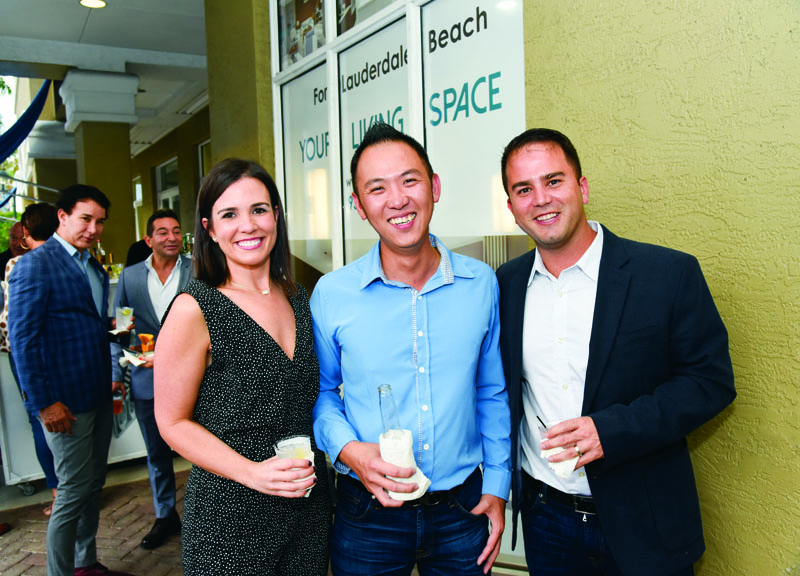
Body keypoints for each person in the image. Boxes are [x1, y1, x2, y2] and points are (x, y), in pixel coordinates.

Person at [495, 128, 736, 576]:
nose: (541, 199)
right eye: (523, 189)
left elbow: (710, 382)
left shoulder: (666, 274)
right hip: (546, 519)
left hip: (645, 521)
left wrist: (611, 430)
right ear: (511, 207)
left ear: (582, 187)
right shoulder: (505, 284)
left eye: (553, 181)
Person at [311, 122, 511, 575]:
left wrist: (497, 485)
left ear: (434, 187)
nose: (397, 200)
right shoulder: (333, 294)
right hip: (367, 513)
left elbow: (492, 391)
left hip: (462, 510)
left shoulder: (480, 284)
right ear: (359, 206)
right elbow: (321, 393)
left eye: (409, 180)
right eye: (377, 188)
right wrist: (350, 451)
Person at [154, 158, 331, 575]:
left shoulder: (299, 298)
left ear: (276, 216)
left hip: (307, 507)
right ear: (210, 230)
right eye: (229, 214)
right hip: (231, 514)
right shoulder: (195, 308)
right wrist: (252, 473)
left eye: (259, 209)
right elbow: (172, 422)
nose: (248, 225)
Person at [8, 185, 134, 576]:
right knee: (72, 492)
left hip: (98, 393)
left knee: (93, 485)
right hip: (63, 403)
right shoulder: (35, 264)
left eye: (100, 222)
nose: (94, 229)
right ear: (62, 216)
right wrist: (44, 403)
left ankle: (85, 563)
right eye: (85, 219)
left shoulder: (92, 265)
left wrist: (115, 340)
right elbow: (23, 341)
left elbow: (87, 324)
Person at [110, 209, 191, 549]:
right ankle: (165, 515)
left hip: (194, 377)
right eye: (163, 232)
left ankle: (209, 515)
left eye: (176, 231)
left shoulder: (198, 271)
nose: (172, 237)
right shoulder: (130, 278)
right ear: (148, 239)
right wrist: (117, 371)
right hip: (147, 379)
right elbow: (120, 329)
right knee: (157, 453)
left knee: (205, 448)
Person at [0, 203, 60, 516]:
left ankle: (59, 493)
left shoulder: (17, 264)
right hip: (54, 353)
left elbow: (11, 325)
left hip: (25, 354)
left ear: (26, 231)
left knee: (40, 419)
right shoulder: (67, 259)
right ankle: (69, 492)